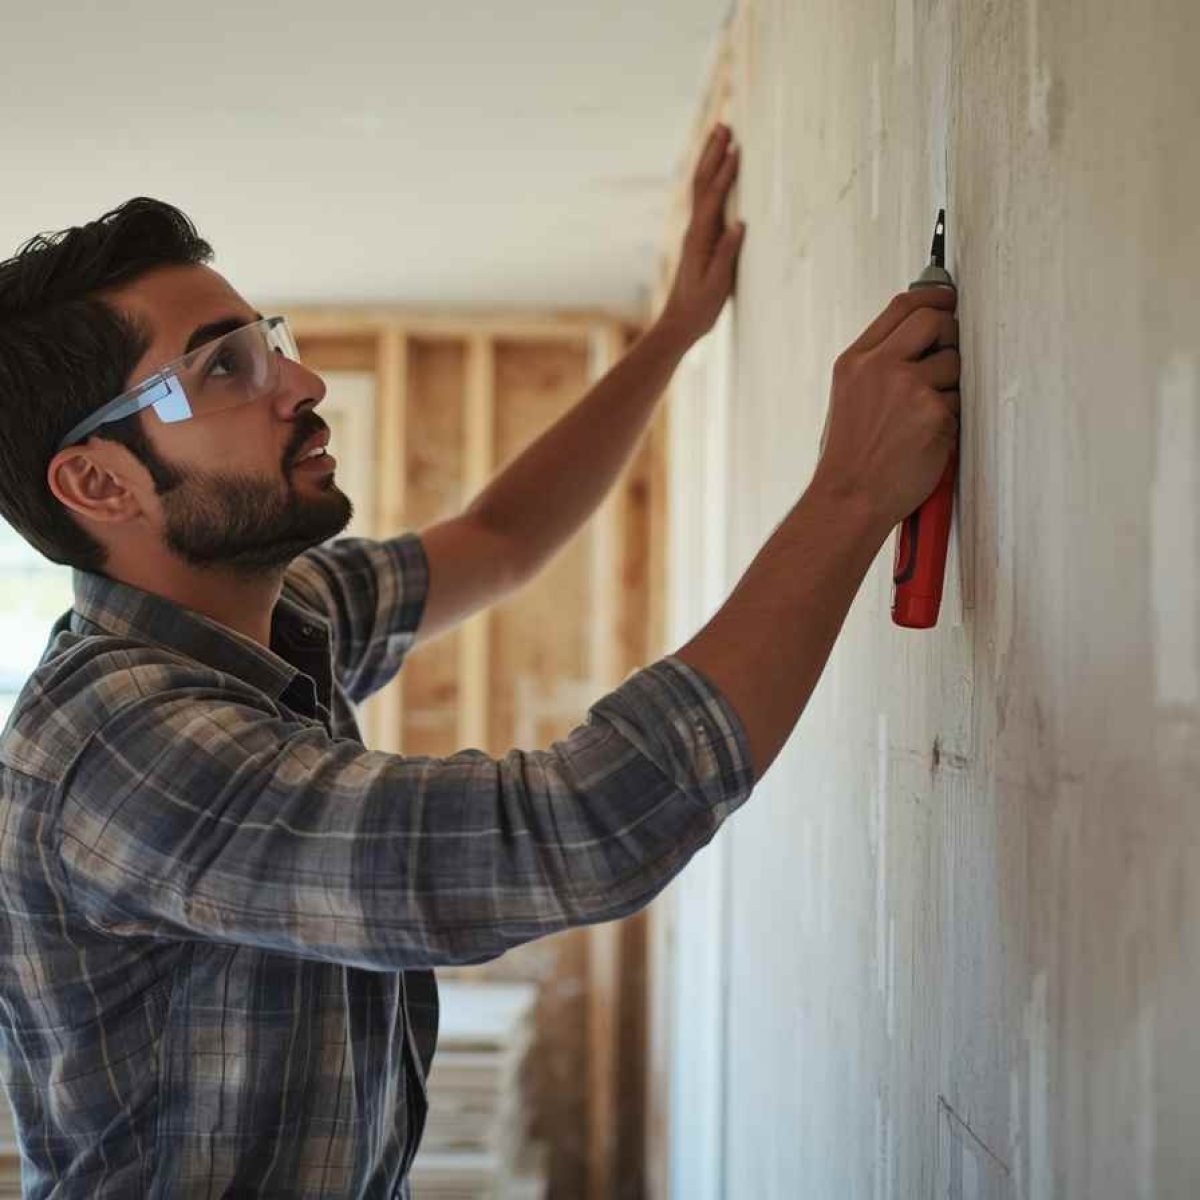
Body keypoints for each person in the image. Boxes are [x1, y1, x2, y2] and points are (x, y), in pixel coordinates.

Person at [0, 123, 958, 1197]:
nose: (301, 381)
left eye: (265, 339)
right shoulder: (123, 745)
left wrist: (673, 333)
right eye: (225, 368)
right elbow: (572, 829)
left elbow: (500, 539)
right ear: (97, 485)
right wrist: (849, 496)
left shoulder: (269, 619)